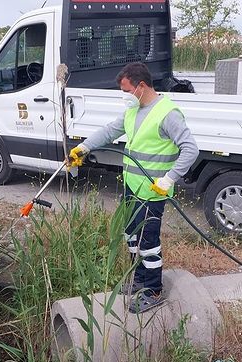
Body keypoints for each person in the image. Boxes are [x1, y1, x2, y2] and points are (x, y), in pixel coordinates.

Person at [68, 62, 199, 314]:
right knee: (132, 236)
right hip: (132, 187)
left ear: (141, 85)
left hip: (152, 191)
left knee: (148, 241)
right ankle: (139, 278)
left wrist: (170, 178)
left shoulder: (167, 113)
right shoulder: (133, 110)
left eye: (127, 90)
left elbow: (190, 149)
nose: (125, 96)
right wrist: (83, 148)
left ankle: (153, 290)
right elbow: (109, 131)